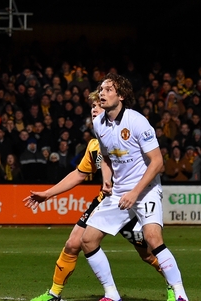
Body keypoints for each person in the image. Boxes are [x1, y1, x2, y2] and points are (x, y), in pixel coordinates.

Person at [24, 90, 174, 301]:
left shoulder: (128, 133)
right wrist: (48, 194)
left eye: (98, 106)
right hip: (107, 202)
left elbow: (154, 162)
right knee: (73, 243)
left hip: (132, 202)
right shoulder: (95, 145)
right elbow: (79, 174)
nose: (94, 110)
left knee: (148, 254)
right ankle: (54, 293)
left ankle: (173, 287)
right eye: (92, 107)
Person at [83, 75, 186, 301]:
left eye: (108, 89)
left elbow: (157, 162)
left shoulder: (137, 121)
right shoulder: (99, 123)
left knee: (152, 238)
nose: (102, 93)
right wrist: (107, 179)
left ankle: (180, 294)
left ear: (121, 96)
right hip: (120, 191)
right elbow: (106, 156)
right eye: (101, 89)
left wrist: (135, 192)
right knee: (88, 240)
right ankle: (111, 295)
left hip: (145, 189)